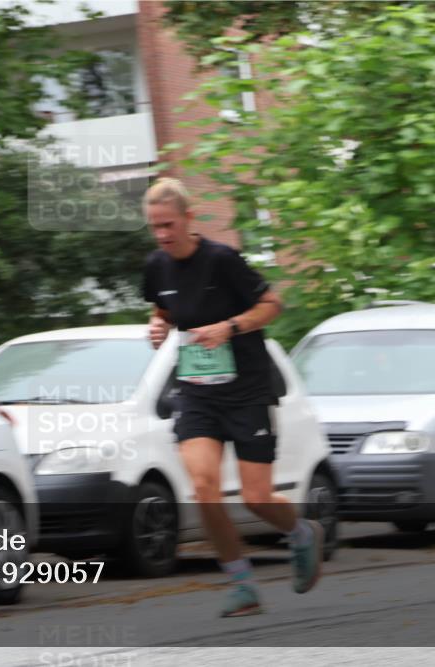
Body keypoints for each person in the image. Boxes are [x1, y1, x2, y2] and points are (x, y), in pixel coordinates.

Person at [141, 177, 322, 617]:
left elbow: (272, 305)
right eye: (155, 226)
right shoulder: (156, 266)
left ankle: (301, 533)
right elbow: (163, 307)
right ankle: (242, 583)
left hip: (247, 391)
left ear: (189, 218)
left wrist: (231, 326)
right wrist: (158, 326)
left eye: (169, 224)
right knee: (204, 488)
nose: (163, 234)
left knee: (256, 498)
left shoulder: (222, 261)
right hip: (197, 394)